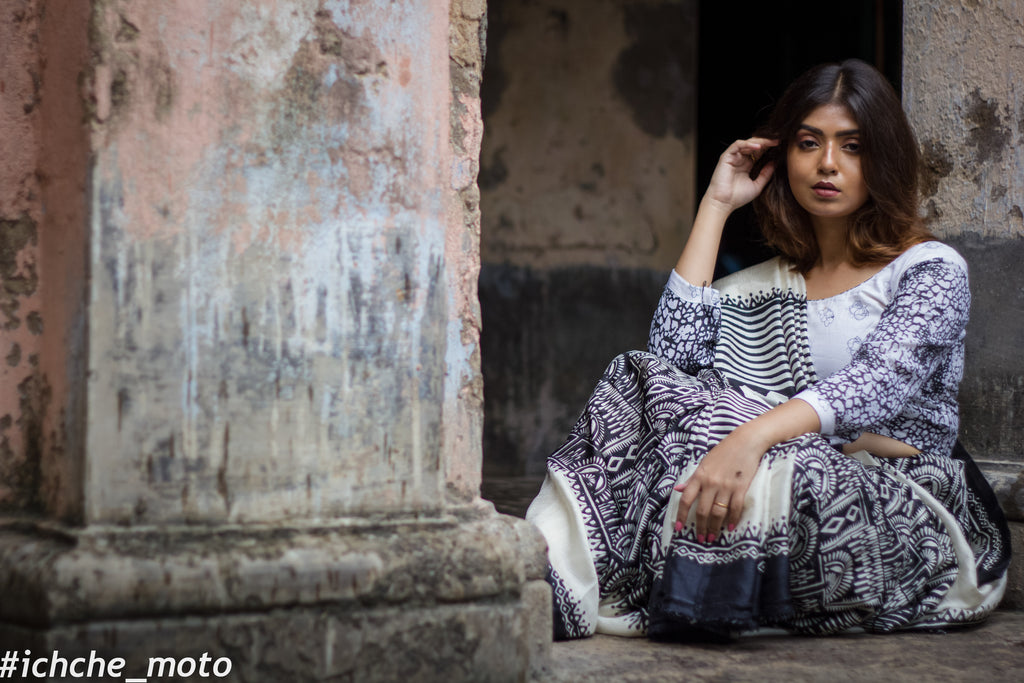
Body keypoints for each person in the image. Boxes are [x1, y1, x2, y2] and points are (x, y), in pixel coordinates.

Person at [526, 59, 1010, 641]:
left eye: (852, 146)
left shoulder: (929, 271)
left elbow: (875, 384)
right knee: (638, 375)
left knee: (775, 457)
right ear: (784, 157)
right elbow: (670, 367)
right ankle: (558, 574)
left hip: (907, 502)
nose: (827, 164)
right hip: (780, 464)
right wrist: (717, 203)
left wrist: (749, 437)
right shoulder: (769, 283)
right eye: (809, 143)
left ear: (885, 159)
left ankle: (694, 589)